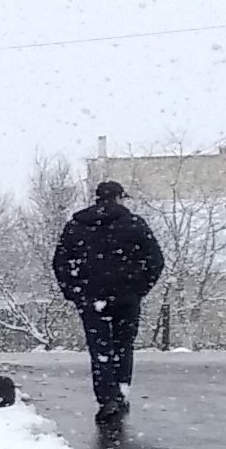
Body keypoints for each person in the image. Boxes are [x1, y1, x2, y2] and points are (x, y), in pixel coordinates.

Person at [50, 179, 167, 422]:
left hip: (92, 300)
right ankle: (120, 392)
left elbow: (60, 262)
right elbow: (155, 260)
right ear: (119, 197)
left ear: (97, 198)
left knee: (100, 349)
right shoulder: (134, 224)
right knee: (123, 346)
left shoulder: (76, 226)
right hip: (126, 299)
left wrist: (75, 292)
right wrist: (138, 289)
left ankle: (107, 398)